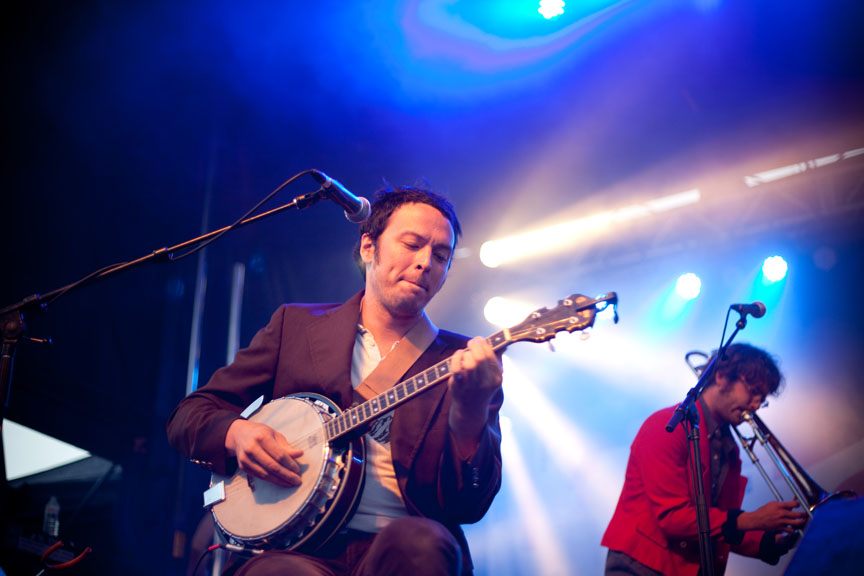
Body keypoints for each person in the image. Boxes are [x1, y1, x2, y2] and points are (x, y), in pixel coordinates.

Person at [166, 184, 504, 576]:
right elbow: (189, 415)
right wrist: (237, 434)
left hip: (399, 548)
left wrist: (471, 409)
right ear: (368, 248)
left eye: (441, 255)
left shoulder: (464, 363)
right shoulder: (295, 326)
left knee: (421, 545)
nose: (426, 262)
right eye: (412, 244)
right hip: (291, 547)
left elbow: (471, 505)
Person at [601, 343, 807, 576]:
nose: (757, 404)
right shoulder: (666, 426)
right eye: (753, 391)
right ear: (721, 377)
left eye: (763, 398)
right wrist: (751, 520)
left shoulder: (729, 448)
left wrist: (771, 541)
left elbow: (717, 525)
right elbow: (674, 517)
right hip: (642, 567)